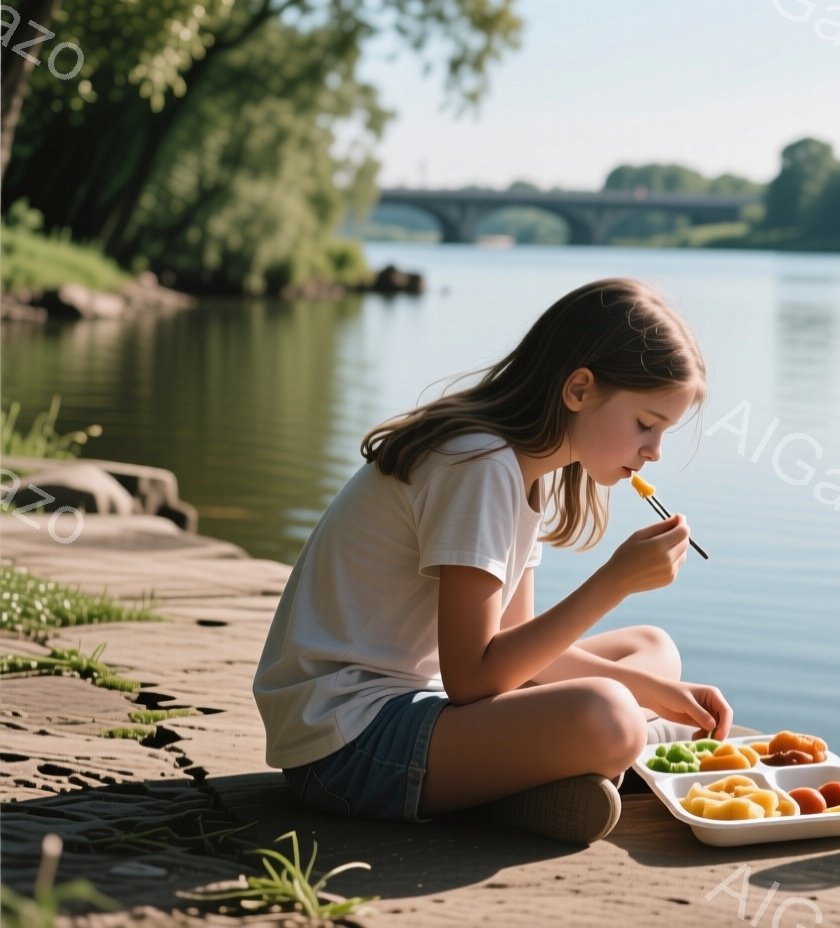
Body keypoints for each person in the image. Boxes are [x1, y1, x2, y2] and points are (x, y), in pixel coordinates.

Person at [253, 277, 731, 845]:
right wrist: (613, 583)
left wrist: (651, 689)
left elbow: (520, 654)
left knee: (652, 650)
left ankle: (555, 777)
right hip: (344, 742)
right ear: (579, 389)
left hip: (416, 708)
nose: (654, 452)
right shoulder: (478, 465)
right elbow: (476, 679)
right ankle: (568, 773)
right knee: (609, 713)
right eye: (646, 425)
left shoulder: (528, 472)